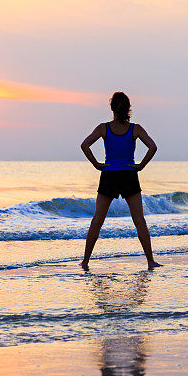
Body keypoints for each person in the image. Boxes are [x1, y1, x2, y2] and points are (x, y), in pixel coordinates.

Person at [80, 91, 162, 271]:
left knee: (97, 221)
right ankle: (150, 261)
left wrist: (97, 165)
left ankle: (85, 261)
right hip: (128, 174)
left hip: (109, 174)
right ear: (128, 109)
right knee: (139, 220)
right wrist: (140, 166)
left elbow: (84, 145)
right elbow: (153, 147)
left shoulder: (104, 128)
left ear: (112, 108)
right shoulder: (135, 129)